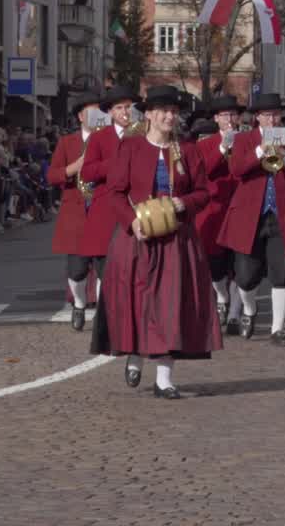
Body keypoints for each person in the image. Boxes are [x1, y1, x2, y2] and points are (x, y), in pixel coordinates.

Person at [90, 86, 222, 399]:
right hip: (137, 239)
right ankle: (135, 355)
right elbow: (115, 192)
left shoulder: (188, 150)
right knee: (136, 301)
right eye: (162, 110)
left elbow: (203, 193)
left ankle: (164, 378)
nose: (168, 116)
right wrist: (132, 222)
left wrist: (183, 204)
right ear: (148, 114)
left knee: (170, 305)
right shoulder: (131, 147)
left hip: (177, 240)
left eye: (173, 111)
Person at [216, 92, 285, 347]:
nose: (272, 119)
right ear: (257, 117)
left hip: (281, 215)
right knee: (246, 277)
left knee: (282, 274)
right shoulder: (245, 139)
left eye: (276, 114)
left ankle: (277, 329)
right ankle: (248, 309)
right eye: (267, 115)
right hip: (250, 216)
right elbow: (236, 170)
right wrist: (260, 151)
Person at [77, 85, 143, 306]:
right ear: (111, 113)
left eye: (128, 107)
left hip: (136, 210)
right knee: (107, 271)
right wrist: (115, 163)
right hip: (105, 212)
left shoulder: (142, 135)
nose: (125, 112)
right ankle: (106, 316)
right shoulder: (99, 138)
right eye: (119, 108)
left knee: (135, 270)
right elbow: (87, 173)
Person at [46, 91, 103, 330]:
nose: (98, 116)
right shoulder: (67, 142)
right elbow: (51, 176)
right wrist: (73, 168)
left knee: (105, 270)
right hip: (77, 216)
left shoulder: (110, 140)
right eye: (92, 112)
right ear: (81, 116)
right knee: (77, 271)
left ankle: (103, 314)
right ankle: (79, 303)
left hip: (102, 214)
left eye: (100, 112)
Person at [195, 95, 243, 333]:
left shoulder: (247, 141)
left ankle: (234, 314)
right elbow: (202, 172)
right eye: (225, 115)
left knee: (239, 266)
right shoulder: (205, 145)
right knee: (215, 267)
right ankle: (222, 298)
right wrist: (223, 147)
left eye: (233, 115)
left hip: (241, 210)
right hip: (215, 212)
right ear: (216, 119)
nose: (230, 119)